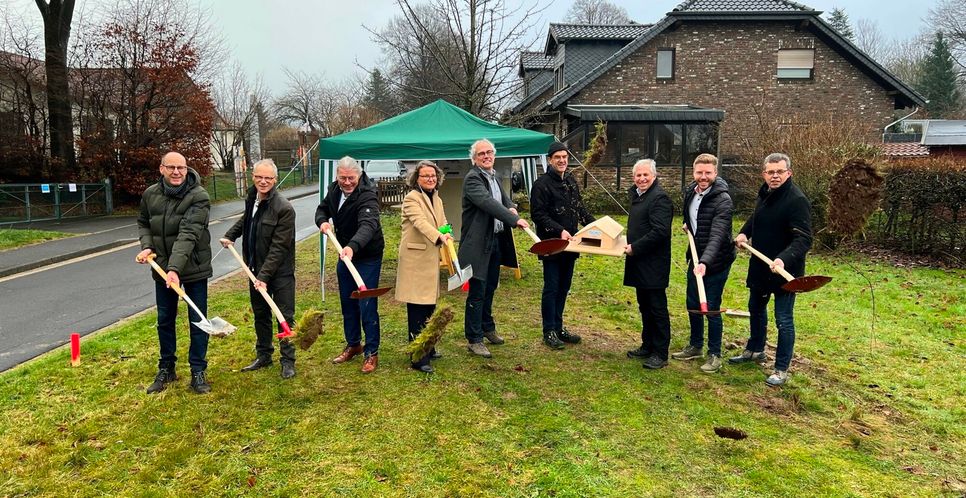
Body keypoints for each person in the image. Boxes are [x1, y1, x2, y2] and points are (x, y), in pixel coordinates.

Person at [729, 152, 812, 386]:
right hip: (761, 266)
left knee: (783, 319)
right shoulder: (765, 193)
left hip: (785, 271)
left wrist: (783, 259)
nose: (774, 176)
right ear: (764, 174)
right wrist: (745, 232)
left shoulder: (796, 200)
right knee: (755, 308)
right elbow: (757, 218)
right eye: (770, 172)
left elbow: (804, 239)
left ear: (789, 173)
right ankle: (755, 350)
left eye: (779, 172)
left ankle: (781, 368)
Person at [135, 151, 213, 394]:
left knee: (198, 320)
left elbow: (189, 233)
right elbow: (143, 222)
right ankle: (167, 367)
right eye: (171, 167)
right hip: (163, 269)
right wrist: (147, 245)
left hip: (193, 268)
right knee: (164, 320)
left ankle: (198, 371)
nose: (177, 172)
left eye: (181, 167)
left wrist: (175, 269)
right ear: (161, 169)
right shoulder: (150, 194)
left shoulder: (198, 196)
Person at [220, 159, 297, 379]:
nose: (263, 182)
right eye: (259, 177)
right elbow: (247, 221)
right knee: (261, 314)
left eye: (268, 178)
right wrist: (231, 235)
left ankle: (288, 360)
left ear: (275, 179)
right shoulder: (252, 197)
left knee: (284, 316)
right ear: (252, 176)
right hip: (254, 269)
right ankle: (264, 355)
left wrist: (264, 276)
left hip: (279, 272)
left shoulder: (284, 208)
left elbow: (279, 247)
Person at [459, 139, 529, 358]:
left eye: (489, 152)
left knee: (490, 287)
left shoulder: (494, 176)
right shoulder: (473, 179)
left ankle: (487, 327)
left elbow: (503, 199)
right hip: (478, 243)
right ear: (474, 158)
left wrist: (512, 208)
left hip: (496, 240)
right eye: (482, 154)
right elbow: (488, 203)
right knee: (477, 291)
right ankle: (474, 338)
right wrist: (512, 219)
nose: (486, 156)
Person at [316, 156, 385, 374]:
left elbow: (368, 225)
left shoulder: (367, 193)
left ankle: (371, 352)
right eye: (343, 178)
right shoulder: (334, 189)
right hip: (345, 254)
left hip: (367, 255)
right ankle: (354, 344)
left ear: (359, 175)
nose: (347, 182)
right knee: (348, 302)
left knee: (367, 305)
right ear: (337, 176)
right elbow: (323, 209)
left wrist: (353, 246)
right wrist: (323, 221)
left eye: (351, 178)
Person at [671, 153, 736, 373]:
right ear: (694, 172)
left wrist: (705, 262)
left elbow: (718, 234)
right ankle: (696, 345)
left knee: (711, 307)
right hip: (696, 257)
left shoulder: (723, 200)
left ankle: (715, 353)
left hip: (716, 261)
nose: (703, 177)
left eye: (708, 173)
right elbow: (690, 216)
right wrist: (687, 225)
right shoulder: (691, 191)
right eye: (699, 172)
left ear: (715, 173)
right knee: (693, 302)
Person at [530, 141, 595, 349]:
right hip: (552, 244)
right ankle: (548, 330)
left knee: (564, 287)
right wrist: (559, 230)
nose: (562, 161)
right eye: (557, 157)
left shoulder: (570, 180)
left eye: (565, 157)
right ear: (550, 160)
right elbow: (538, 215)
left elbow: (578, 208)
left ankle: (558, 327)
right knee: (552, 287)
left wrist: (596, 226)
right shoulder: (541, 184)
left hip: (572, 244)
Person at [395, 160, 452, 373]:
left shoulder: (437, 198)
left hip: (431, 260)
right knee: (417, 309)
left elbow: (442, 222)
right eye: (425, 176)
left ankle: (428, 344)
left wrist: (448, 232)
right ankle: (418, 356)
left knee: (429, 306)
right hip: (415, 260)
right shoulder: (411, 199)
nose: (430, 179)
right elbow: (420, 223)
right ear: (416, 179)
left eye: (433, 175)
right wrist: (440, 237)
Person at [623, 159, 673, 370]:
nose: (641, 179)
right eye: (638, 175)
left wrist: (635, 247)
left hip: (653, 263)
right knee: (644, 306)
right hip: (639, 262)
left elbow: (660, 232)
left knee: (657, 308)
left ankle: (660, 353)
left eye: (646, 175)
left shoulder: (660, 198)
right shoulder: (638, 196)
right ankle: (648, 344)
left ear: (654, 176)